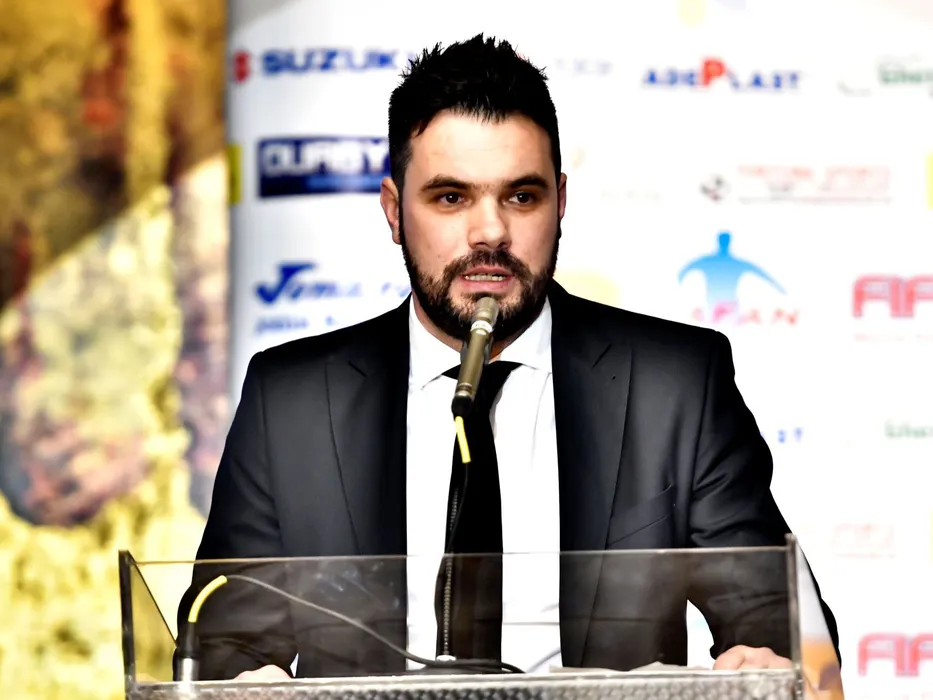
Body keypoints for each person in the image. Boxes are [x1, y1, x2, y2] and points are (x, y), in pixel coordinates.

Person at [177, 34, 839, 685]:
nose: (490, 232)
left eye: (521, 197)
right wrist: (242, 678)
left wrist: (770, 660)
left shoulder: (673, 384)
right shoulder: (291, 400)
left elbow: (779, 619)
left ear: (560, 203)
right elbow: (223, 638)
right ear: (393, 211)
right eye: (450, 197)